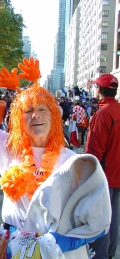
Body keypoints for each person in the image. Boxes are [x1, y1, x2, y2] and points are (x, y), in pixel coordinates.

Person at [0, 46, 110, 259]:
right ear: (20, 120)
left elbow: (99, 217)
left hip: (52, 250)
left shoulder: (71, 161)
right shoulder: (8, 147)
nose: (35, 116)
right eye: (27, 111)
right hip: (11, 246)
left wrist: (68, 241)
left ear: (53, 117)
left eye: (41, 110)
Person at [85, 74, 120, 259]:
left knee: (101, 219)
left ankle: (100, 255)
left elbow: (94, 152)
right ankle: (109, 253)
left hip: (104, 175)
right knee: (113, 217)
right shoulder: (116, 110)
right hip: (116, 174)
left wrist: (85, 177)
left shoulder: (103, 114)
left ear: (99, 89)